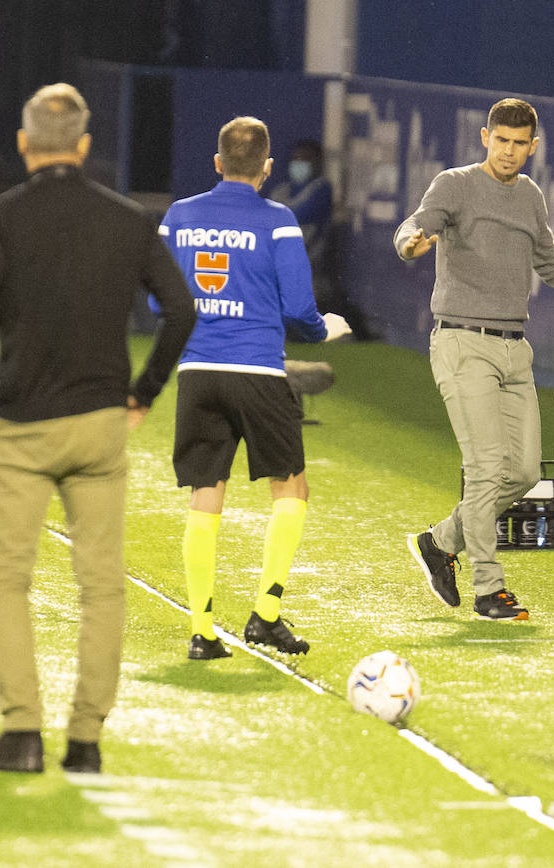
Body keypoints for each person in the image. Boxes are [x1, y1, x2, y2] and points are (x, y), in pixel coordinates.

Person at [0, 83, 196, 774]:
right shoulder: (126, 219)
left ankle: (23, 733)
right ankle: (85, 741)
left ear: (25, 143)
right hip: (98, 424)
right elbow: (180, 312)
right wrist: (143, 393)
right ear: (85, 146)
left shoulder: (0, 217)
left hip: (21, 425)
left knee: (5, 580)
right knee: (102, 585)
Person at [395, 97, 554, 621]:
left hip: (515, 350)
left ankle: (442, 541)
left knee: (522, 471)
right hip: (462, 344)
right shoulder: (455, 184)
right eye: (501, 140)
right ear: (485, 137)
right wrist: (410, 243)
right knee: (487, 468)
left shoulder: (530, 196)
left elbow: (550, 260)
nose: (509, 151)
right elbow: (416, 226)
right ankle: (490, 590)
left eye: (520, 144)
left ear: (533, 148)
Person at [157, 116, 351, 661]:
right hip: (260, 374)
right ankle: (265, 615)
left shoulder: (178, 217)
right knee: (291, 491)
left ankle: (202, 630)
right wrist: (324, 328)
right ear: (266, 169)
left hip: (197, 375)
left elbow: (158, 302)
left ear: (218, 164)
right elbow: (298, 309)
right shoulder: (279, 221)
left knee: (205, 495)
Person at [268, 138, 373, 338]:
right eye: (296, 159)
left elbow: (293, 215)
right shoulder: (280, 191)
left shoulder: (321, 188)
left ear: (316, 162)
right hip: (280, 263)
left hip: (311, 261)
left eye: (305, 160)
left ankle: (360, 332)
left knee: (324, 300)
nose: (299, 164)